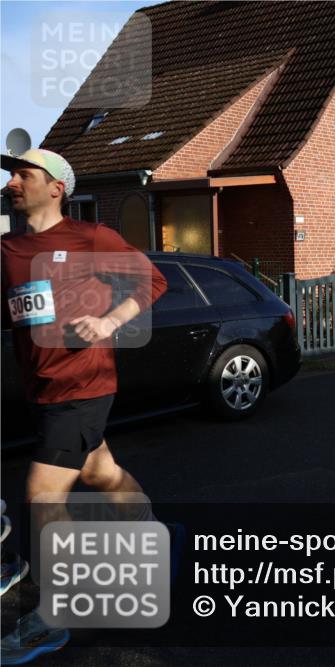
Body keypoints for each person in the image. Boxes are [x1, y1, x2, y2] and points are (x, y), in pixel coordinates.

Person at [1, 149, 167, 662]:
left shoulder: (89, 238)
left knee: (42, 497)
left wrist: (109, 322)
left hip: (85, 384)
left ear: (56, 188)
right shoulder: (7, 247)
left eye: (23, 174)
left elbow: (151, 280)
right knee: (99, 469)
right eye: (10, 174)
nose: (12, 182)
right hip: (44, 388)